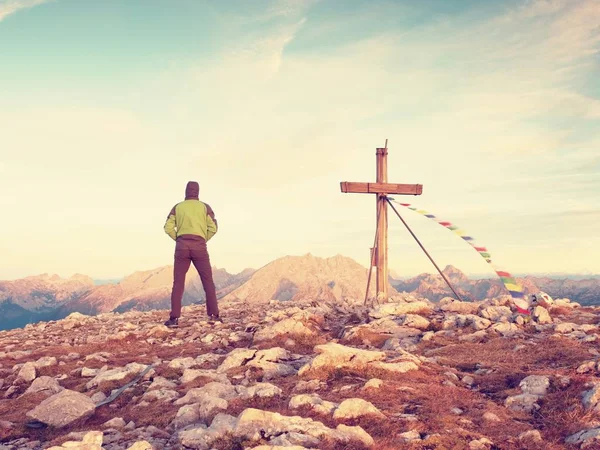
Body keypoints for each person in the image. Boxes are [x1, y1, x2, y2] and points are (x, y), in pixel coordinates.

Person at [163, 181, 221, 327]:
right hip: (199, 246)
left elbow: (167, 227)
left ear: (186, 191)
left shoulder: (178, 207)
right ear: (197, 192)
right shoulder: (204, 207)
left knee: (178, 283)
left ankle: (174, 319)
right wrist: (202, 238)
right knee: (207, 281)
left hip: (181, 246)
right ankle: (213, 315)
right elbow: (213, 227)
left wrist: (179, 239)